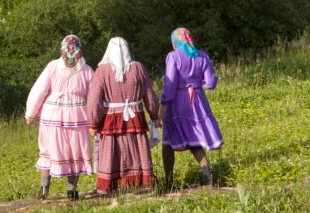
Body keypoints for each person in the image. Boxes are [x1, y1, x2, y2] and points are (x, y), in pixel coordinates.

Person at [86, 37, 159, 195]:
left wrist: (92, 122)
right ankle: (142, 182)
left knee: (111, 148)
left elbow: (94, 98)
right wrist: (154, 114)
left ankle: (108, 186)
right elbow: (150, 94)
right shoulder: (138, 68)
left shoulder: (102, 71)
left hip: (112, 117)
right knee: (136, 146)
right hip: (135, 115)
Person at [26, 35, 94, 201]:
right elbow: (94, 96)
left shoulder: (53, 67)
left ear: (61, 49)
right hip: (76, 116)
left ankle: (44, 188)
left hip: (53, 115)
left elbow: (39, 90)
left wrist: (30, 113)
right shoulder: (86, 70)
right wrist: (95, 118)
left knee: (48, 151)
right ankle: (71, 191)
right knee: (74, 152)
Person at [160, 27, 223, 190]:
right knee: (194, 138)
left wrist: (163, 106)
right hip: (198, 102)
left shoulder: (173, 57)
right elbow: (211, 83)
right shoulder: (202, 56)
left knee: (168, 141)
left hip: (177, 103)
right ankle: (206, 173)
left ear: (175, 42)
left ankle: (168, 181)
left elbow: (170, 84)